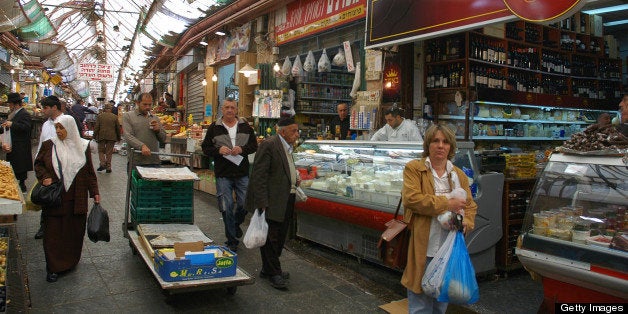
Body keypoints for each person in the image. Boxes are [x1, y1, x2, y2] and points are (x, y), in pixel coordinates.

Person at [401, 124, 477, 313]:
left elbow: (470, 206)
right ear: (428, 145)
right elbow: (412, 199)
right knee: (420, 303)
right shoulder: (414, 169)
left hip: (448, 249)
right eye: (435, 141)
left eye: (445, 142)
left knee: (441, 301)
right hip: (424, 246)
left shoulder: (458, 174)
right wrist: (447, 203)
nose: (440, 146)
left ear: (451, 146)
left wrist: (466, 222)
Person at [34, 115, 100, 283]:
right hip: (56, 196)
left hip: (76, 197)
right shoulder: (50, 144)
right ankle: (53, 267)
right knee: (53, 233)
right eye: (56, 128)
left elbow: (89, 172)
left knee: (74, 232)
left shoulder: (83, 146)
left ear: (70, 128)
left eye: (61, 128)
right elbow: (39, 164)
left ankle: (70, 262)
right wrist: (44, 177)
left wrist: (95, 193)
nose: (58, 131)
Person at [245, 117, 300, 290]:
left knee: (280, 235)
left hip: (286, 198)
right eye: (293, 131)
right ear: (282, 131)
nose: (297, 134)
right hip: (272, 199)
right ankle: (274, 272)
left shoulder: (289, 147)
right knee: (271, 238)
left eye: (297, 130)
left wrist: (294, 178)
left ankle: (267, 269)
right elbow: (259, 175)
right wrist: (262, 201)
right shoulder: (269, 144)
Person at [201, 98, 258, 252]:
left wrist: (242, 150)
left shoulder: (245, 127)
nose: (229, 110)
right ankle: (231, 240)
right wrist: (218, 151)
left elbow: (254, 146)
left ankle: (234, 225)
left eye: (232, 107)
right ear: (222, 109)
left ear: (237, 110)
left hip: (242, 172)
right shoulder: (214, 128)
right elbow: (205, 148)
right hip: (223, 173)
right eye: (227, 107)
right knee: (226, 207)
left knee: (244, 203)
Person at [33, 95, 65, 240]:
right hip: (46, 168)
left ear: (54, 108)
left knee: (60, 200)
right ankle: (44, 226)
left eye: (45, 108)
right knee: (47, 198)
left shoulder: (66, 122)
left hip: (62, 169)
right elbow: (42, 144)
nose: (43, 111)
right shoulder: (46, 124)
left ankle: (59, 228)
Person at [122, 93, 166, 167]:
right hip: (136, 161)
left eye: (149, 104)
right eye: (145, 104)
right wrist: (141, 146)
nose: (147, 107)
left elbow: (163, 139)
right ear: (138, 103)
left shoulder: (155, 118)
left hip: (153, 161)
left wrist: (158, 131)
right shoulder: (128, 116)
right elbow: (128, 136)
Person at [1, 92, 33, 192]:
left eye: (10, 104)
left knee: (20, 170)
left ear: (15, 104)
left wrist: (12, 124)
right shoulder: (13, 114)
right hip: (13, 145)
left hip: (20, 147)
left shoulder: (24, 114)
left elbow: (27, 127)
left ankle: (21, 189)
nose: (9, 106)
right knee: (14, 168)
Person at [94, 103, 121, 173]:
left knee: (101, 151)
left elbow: (96, 127)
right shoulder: (115, 117)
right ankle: (108, 167)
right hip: (112, 136)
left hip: (102, 136)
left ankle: (103, 164)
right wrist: (119, 137)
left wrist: (94, 136)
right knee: (109, 152)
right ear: (111, 109)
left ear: (104, 109)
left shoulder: (100, 116)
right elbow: (118, 128)